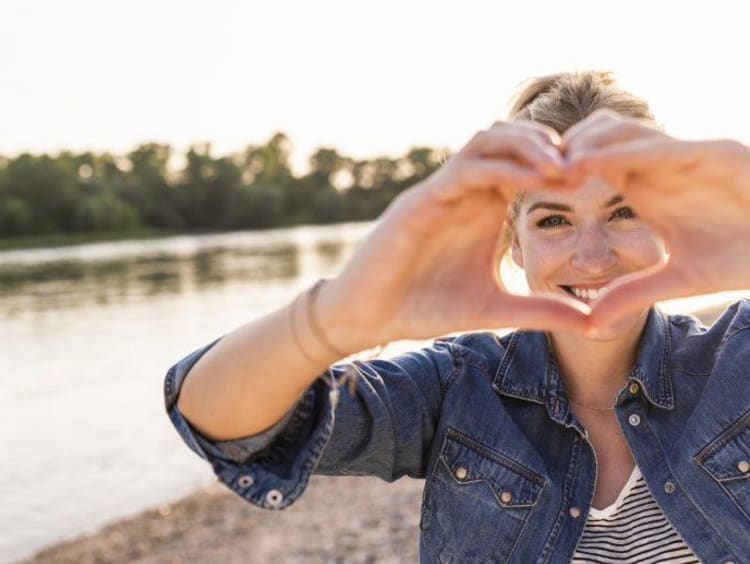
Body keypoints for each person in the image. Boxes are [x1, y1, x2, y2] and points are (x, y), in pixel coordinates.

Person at [164, 71, 750, 563]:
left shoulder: (737, 359)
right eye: (553, 221)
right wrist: (339, 316)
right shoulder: (457, 387)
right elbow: (222, 423)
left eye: (624, 212)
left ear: (667, 221)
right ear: (514, 244)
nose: (593, 256)